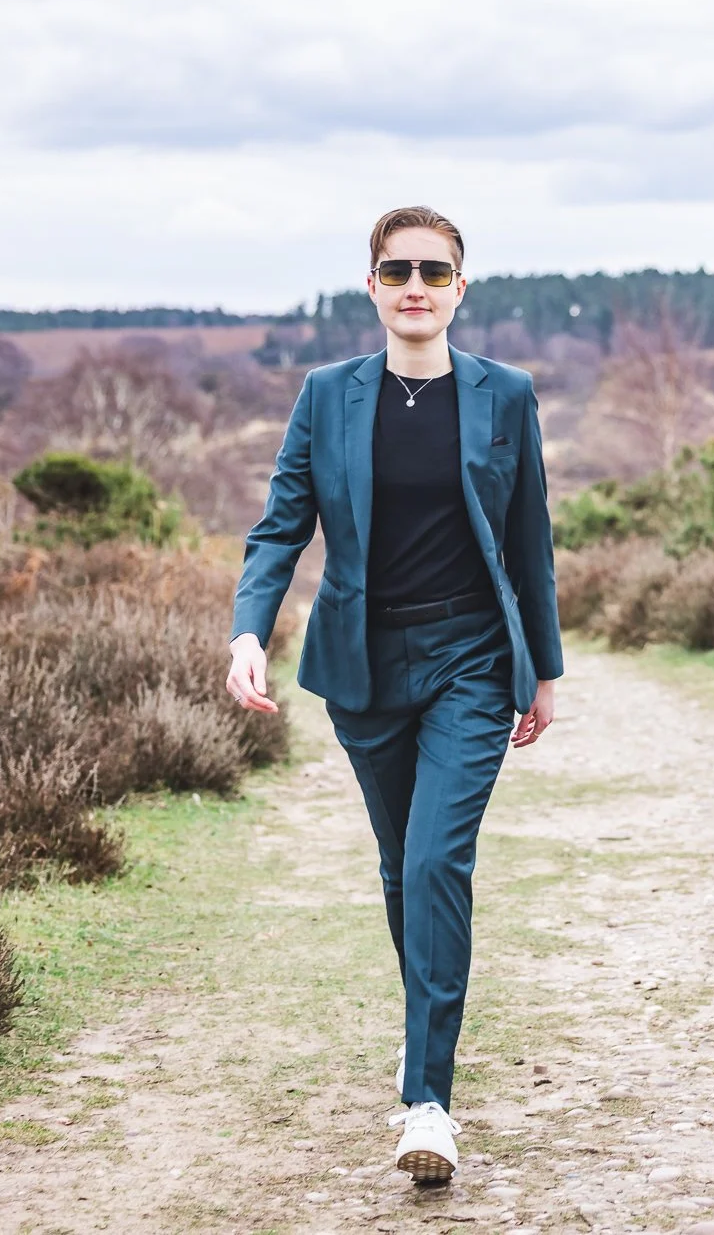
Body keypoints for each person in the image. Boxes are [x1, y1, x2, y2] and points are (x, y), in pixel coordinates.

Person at [225, 205, 562, 1184]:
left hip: (468, 658)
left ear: (461, 287)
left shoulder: (504, 393)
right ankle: (423, 1043)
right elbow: (278, 526)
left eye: (434, 269)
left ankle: (428, 1097)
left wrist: (540, 666)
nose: (414, 284)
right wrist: (249, 627)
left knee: (433, 863)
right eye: (395, 269)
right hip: (364, 667)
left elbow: (530, 536)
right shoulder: (327, 395)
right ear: (370, 285)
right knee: (394, 864)